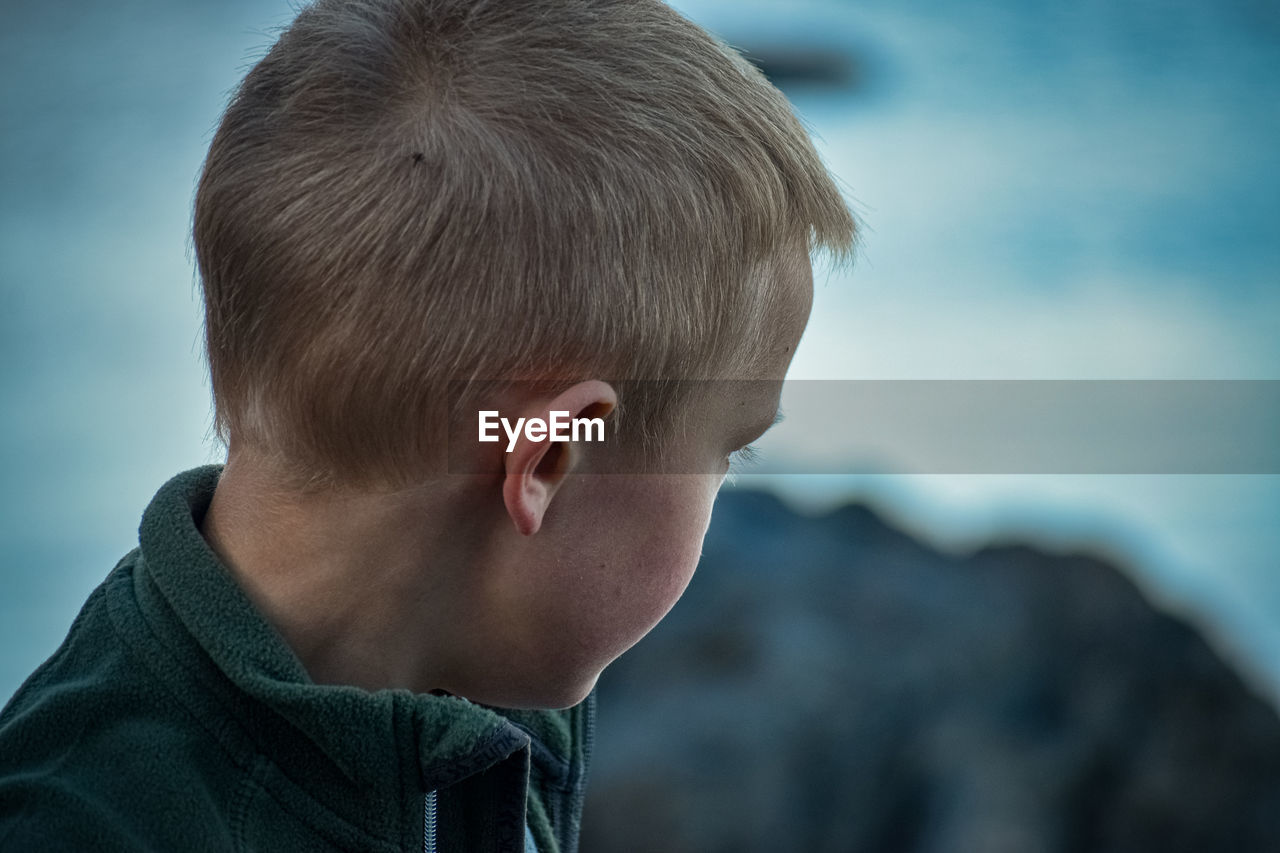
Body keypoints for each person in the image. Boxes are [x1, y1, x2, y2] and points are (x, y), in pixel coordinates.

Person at [0, 0, 855, 850]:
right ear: (549, 458)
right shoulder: (72, 826)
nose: (729, 480)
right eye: (731, 451)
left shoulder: (482, 671)